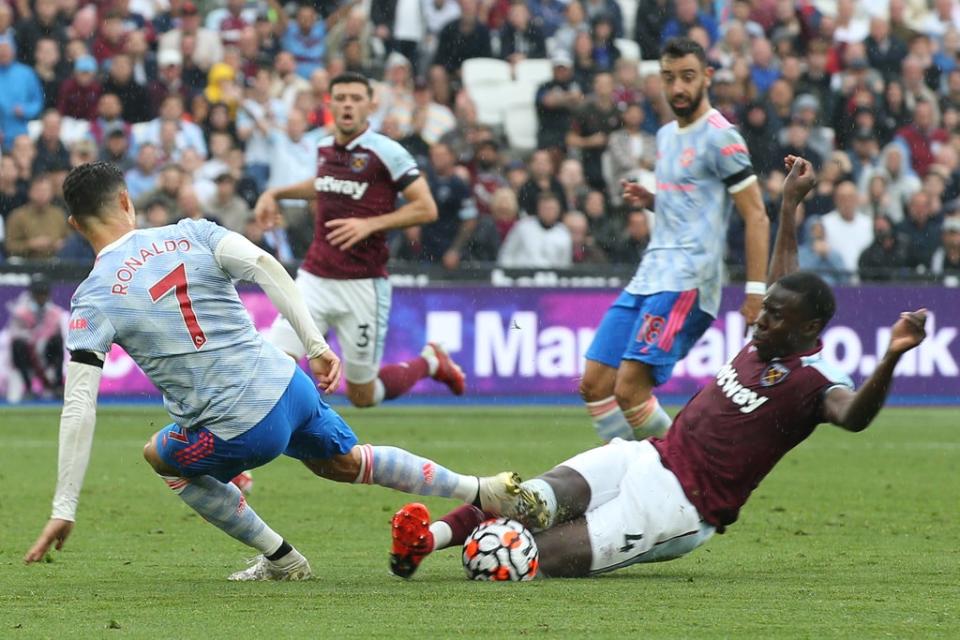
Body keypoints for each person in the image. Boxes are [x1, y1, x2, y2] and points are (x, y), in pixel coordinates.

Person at [388, 155, 930, 579]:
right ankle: (425, 540)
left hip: (679, 508)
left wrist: (891, 355)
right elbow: (784, 276)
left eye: (775, 319)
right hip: (643, 457)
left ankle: (486, 551)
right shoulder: (767, 337)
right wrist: (789, 207)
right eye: (764, 313)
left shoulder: (814, 384)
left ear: (808, 331)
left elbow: (855, 415)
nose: (760, 322)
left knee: (525, 559)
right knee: (531, 499)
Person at [23, 161, 538, 579]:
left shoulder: (91, 300)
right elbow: (268, 267)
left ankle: (282, 558)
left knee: (161, 456)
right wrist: (315, 344)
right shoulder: (191, 233)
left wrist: (64, 506)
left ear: (75, 224)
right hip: (290, 384)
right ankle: (479, 489)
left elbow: (79, 404)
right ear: (127, 202)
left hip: (239, 428)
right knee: (346, 461)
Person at [580, 38, 770, 444]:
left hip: (688, 278)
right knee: (595, 384)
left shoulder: (722, 137)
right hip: (649, 274)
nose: (678, 88)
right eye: (669, 78)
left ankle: (684, 477)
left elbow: (755, 213)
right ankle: (624, 473)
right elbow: (688, 199)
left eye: (687, 77)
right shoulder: (665, 136)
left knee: (629, 389)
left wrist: (756, 292)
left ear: (707, 77)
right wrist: (654, 201)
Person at [254, 72, 465, 408]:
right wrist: (277, 192)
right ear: (330, 104)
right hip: (314, 279)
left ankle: (430, 361)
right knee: (275, 366)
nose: (347, 105)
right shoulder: (324, 145)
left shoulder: (388, 152)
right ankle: (253, 452)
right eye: (341, 98)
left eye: (355, 98)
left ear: (371, 105)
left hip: (363, 286)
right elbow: (323, 184)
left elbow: (427, 208)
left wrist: (370, 225)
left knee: (362, 396)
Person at [6, 275, 66, 400]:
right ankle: (28, 388)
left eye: (43, 294)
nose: (41, 297)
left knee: (57, 341)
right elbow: (15, 334)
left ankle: (58, 385)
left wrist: (41, 341)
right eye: (38, 294)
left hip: (45, 353)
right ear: (32, 294)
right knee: (17, 345)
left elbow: (55, 332)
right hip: (27, 354)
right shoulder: (21, 312)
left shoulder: (54, 313)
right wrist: (34, 339)